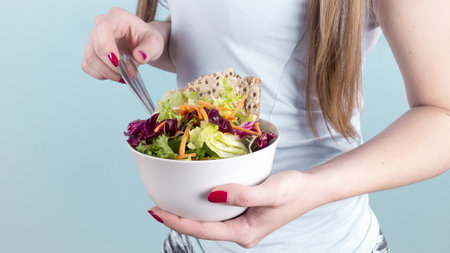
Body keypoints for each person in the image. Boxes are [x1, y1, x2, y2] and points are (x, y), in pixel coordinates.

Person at [82, 0, 450, 252]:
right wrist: (153, 38)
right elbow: (239, 37)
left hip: (321, 243)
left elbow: (442, 114)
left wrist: (312, 188)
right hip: (190, 244)